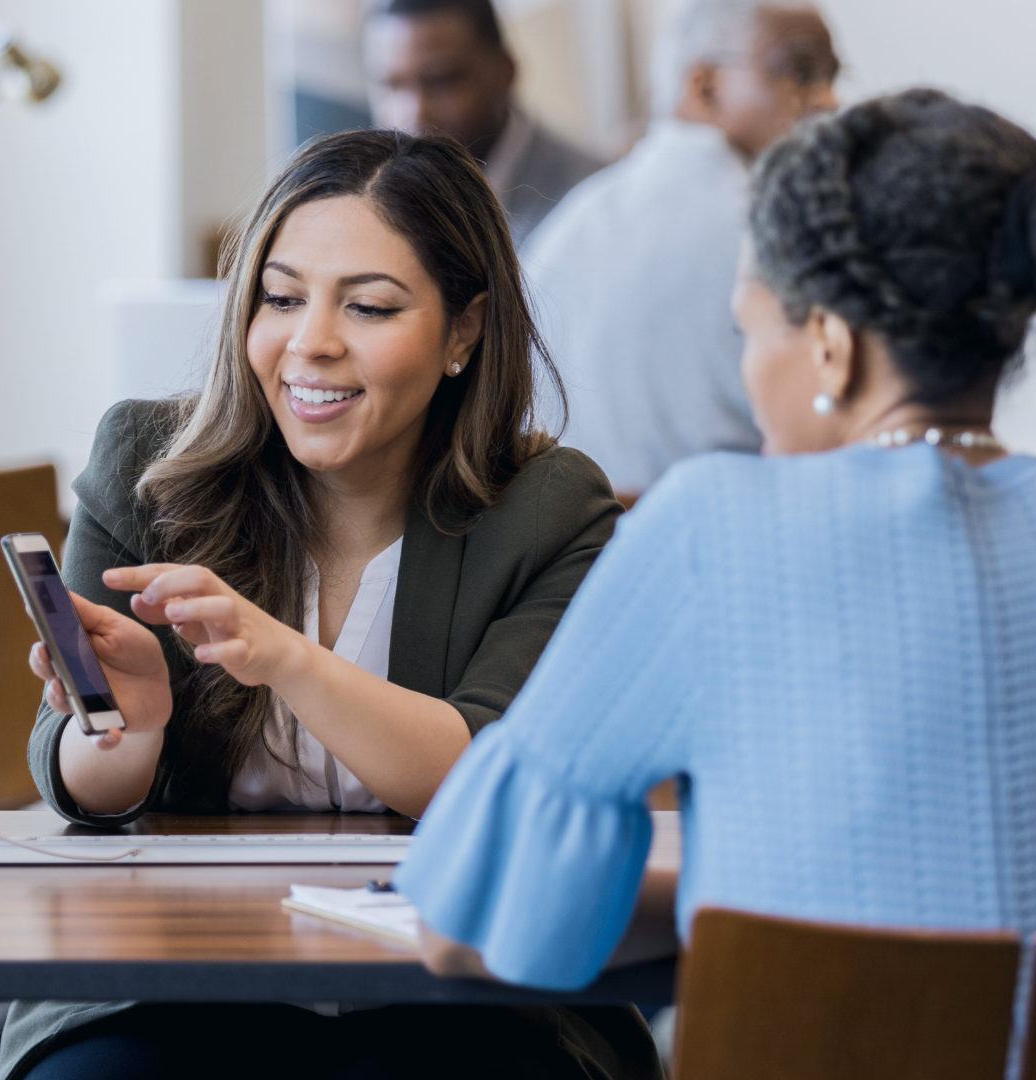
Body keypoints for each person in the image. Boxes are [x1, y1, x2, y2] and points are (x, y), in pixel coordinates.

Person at [0, 129, 651, 1079]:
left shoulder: (549, 509)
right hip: (181, 985)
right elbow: (82, 786)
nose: (311, 343)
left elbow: (493, 782)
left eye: (372, 306)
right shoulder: (146, 466)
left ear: (464, 331)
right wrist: (125, 731)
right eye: (282, 297)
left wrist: (288, 659)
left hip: (457, 990)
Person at [399, 89, 1036, 998]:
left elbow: (473, 926)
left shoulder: (717, 526)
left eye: (748, 326)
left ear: (831, 348)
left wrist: (712, 902)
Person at [521, 0, 840, 497]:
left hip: (574, 559)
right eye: (799, 72)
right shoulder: (777, 229)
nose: (828, 101)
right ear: (706, 86)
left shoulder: (570, 224)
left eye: (833, 76)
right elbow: (841, 440)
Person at [364, 0, 604, 247]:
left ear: (505, 73)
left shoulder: (591, 204)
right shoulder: (364, 197)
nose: (413, 114)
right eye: (391, 85)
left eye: (441, 81)